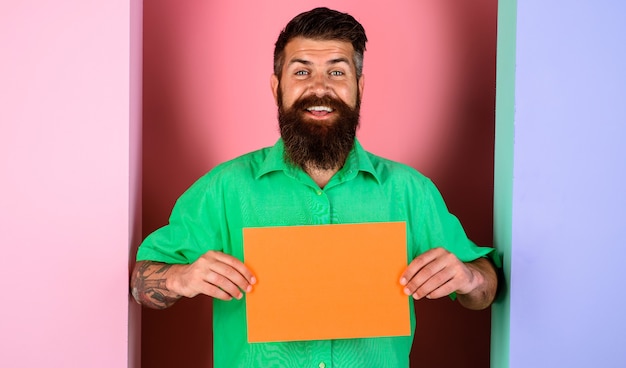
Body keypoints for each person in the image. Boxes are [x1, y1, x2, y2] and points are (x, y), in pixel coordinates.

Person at [131, 6, 499, 368]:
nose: (319, 87)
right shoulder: (224, 189)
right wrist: (182, 277)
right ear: (277, 87)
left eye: (337, 72)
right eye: (302, 71)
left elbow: (485, 289)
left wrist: (468, 277)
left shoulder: (409, 191)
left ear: (360, 86)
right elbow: (141, 286)